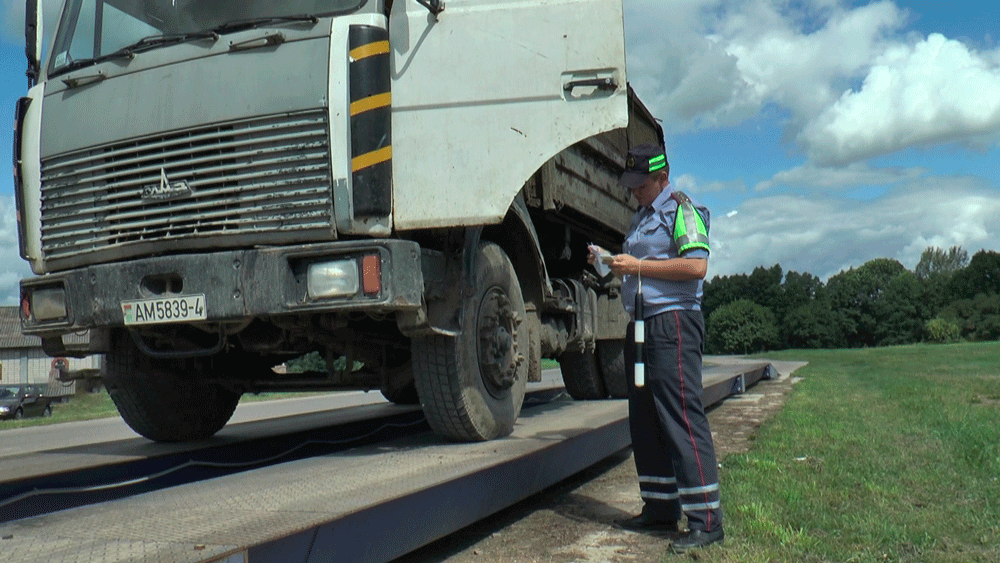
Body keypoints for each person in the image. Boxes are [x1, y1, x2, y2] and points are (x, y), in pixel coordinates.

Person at [608, 144, 724, 553]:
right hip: (641, 325)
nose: (635, 191)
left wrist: (636, 266)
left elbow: (696, 267)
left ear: (662, 177)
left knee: (680, 416)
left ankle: (706, 519)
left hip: (672, 324)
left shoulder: (682, 212)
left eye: (641, 183)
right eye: (631, 183)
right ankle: (659, 506)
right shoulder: (642, 220)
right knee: (645, 415)